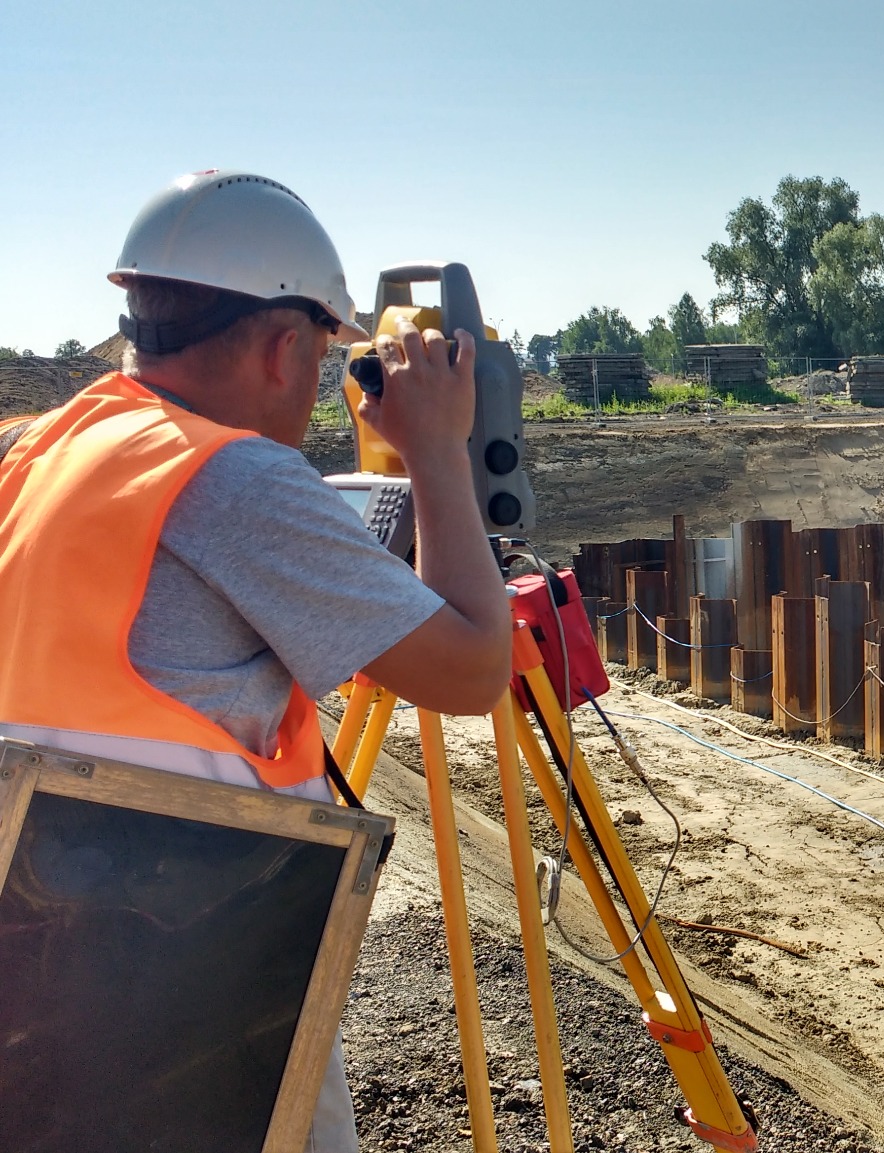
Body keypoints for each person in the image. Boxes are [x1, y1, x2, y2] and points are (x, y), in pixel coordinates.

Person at [0, 170, 513, 1151]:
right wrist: (442, 451)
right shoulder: (234, 475)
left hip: (34, 964)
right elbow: (471, 669)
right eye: (326, 359)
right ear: (287, 346)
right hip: (185, 983)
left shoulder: (34, 448)